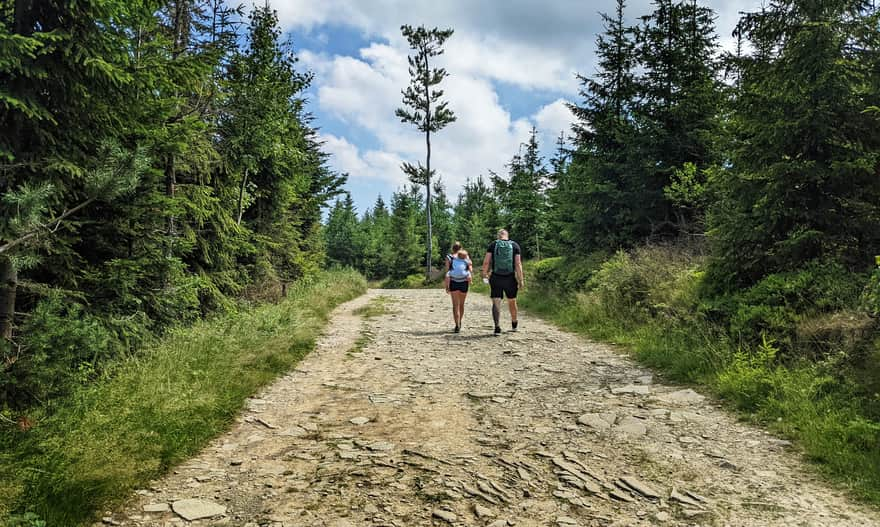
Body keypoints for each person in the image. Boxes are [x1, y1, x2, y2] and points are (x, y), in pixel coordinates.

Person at [481, 229, 524, 335]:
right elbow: (518, 264)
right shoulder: (515, 245)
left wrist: (484, 274)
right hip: (510, 278)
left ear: (498, 236)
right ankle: (514, 324)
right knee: (512, 301)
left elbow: (486, 262)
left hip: (496, 277)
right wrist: (520, 279)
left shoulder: (493, 245)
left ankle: (497, 327)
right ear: (507, 236)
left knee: (496, 302)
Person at [444, 243, 472, 333]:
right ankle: (460, 322)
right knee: (462, 304)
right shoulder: (465, 256)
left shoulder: (449, 257)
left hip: (453, 282)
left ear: (452, 248)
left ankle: (457, 325)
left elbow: (448, 270)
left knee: (455, 305)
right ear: (461, 248)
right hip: (464, 282)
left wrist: (447, 286)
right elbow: (470, 269)